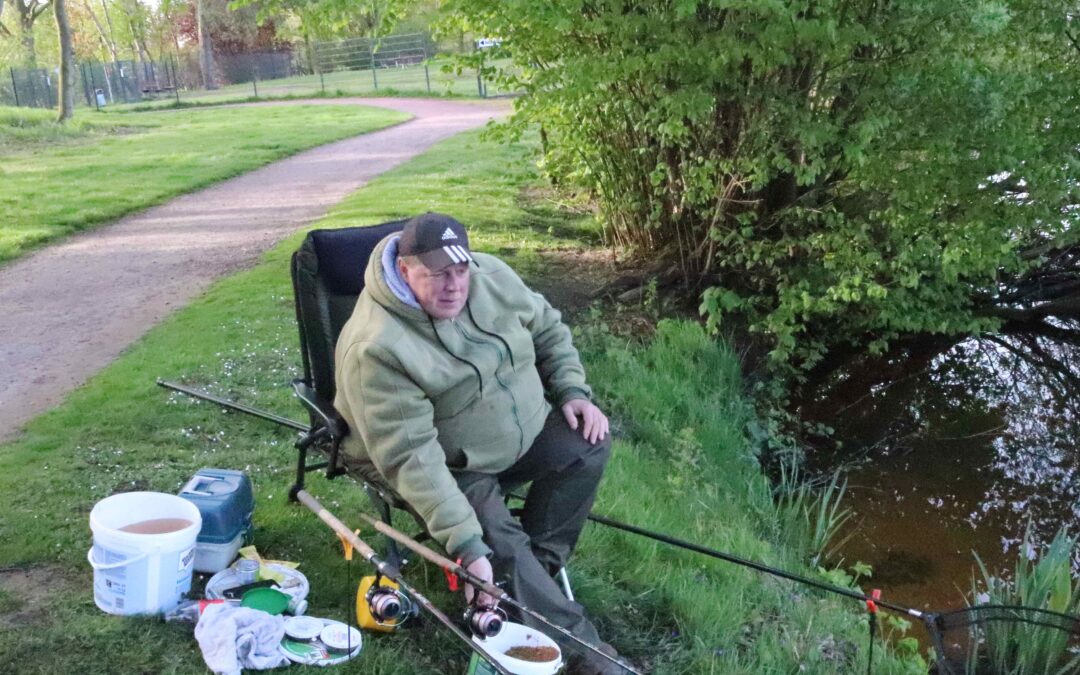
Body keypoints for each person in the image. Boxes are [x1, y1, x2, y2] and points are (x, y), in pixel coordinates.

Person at [333, 212, 624, 674]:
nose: (454, 285)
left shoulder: (491, 276)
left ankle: (528, 582)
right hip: (447, 467)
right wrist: (467, 544)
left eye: (460, 270)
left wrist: (572, 392)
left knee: (587, 442)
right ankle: (590, 659)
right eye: (437, 275)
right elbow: (412, 458)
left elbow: (548, 327)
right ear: (406, 271)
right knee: (492, 537)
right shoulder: (376, 349)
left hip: (518, 437)